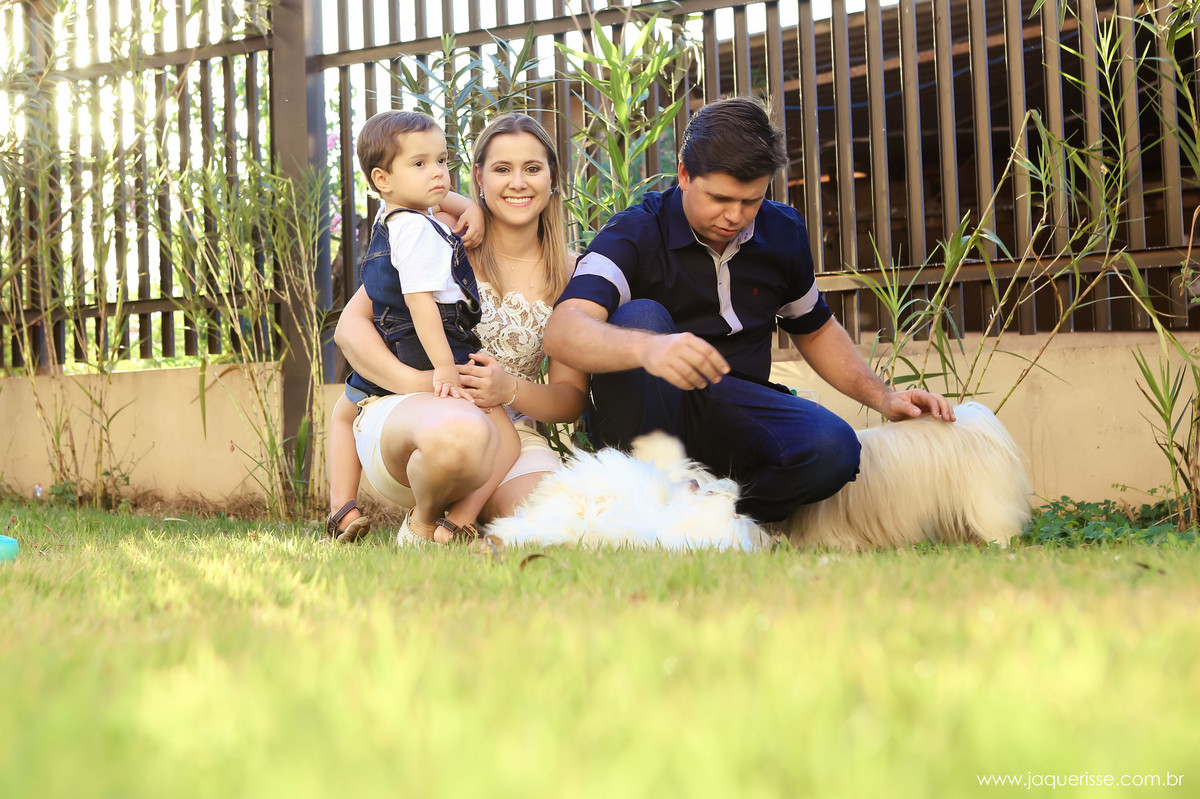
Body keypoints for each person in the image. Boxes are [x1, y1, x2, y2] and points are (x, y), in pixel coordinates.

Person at [541, 96, 955, 524]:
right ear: (684, 174)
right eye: (720, 198)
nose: (735, 216)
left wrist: (884, 396)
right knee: (642, 319)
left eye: (751, 200)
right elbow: (564, 330)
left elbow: (814, 328)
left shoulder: (782, 231)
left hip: (733, 407)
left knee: (834, 447)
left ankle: (727, 520)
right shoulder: (634, 231)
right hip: (645, 413)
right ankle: (647, 505)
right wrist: (649, 351)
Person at [333, 112, 587, 544]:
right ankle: (424, 521)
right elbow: (350, 329)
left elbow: (569, 401)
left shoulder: (572, 274)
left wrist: (509, 391)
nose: (518, 183)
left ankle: (460, 523)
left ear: (552, 178)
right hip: (415, 413)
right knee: (460, 432)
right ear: (479, 177)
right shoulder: (441, 243)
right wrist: (419, 380)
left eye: (532, 168)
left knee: (557, 520)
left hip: (510, 431)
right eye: (502, 169)